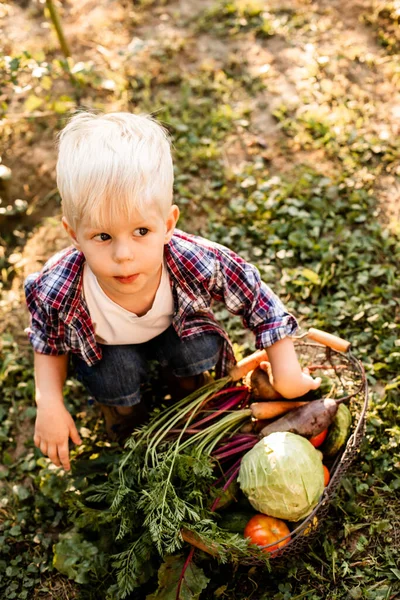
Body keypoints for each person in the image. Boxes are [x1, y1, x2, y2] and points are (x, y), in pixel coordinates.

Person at [24, 111, 321, 472]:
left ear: (167, 224)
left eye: (142, 232)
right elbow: (48, 342)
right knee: (114, 372)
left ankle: (189, 390)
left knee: (196, 347)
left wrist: (286, 370)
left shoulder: (192, 261)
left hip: (176, 333)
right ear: (74, 235)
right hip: (108, 349)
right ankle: (128, 417)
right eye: (103, 237)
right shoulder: (61, 286)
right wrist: (49, 402)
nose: (123, 255)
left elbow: (257, 299)